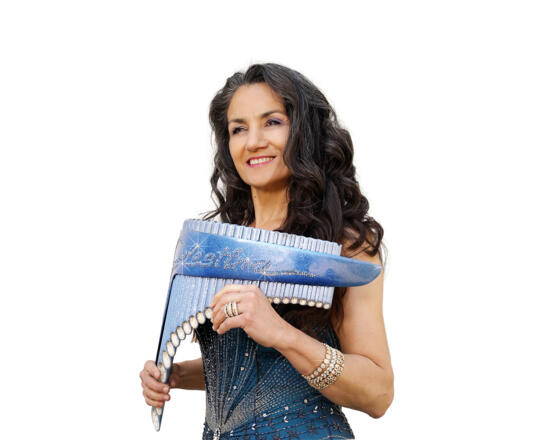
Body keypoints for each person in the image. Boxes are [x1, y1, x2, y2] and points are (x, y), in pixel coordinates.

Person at [139, 63, 394, 439]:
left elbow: (378, 394)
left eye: (272, 122)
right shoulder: (216, 247)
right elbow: (250, 370)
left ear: (303, 132)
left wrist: (281, 333)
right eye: (238, 128)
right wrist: (175, 374)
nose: (253, 141)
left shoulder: (347, 245)